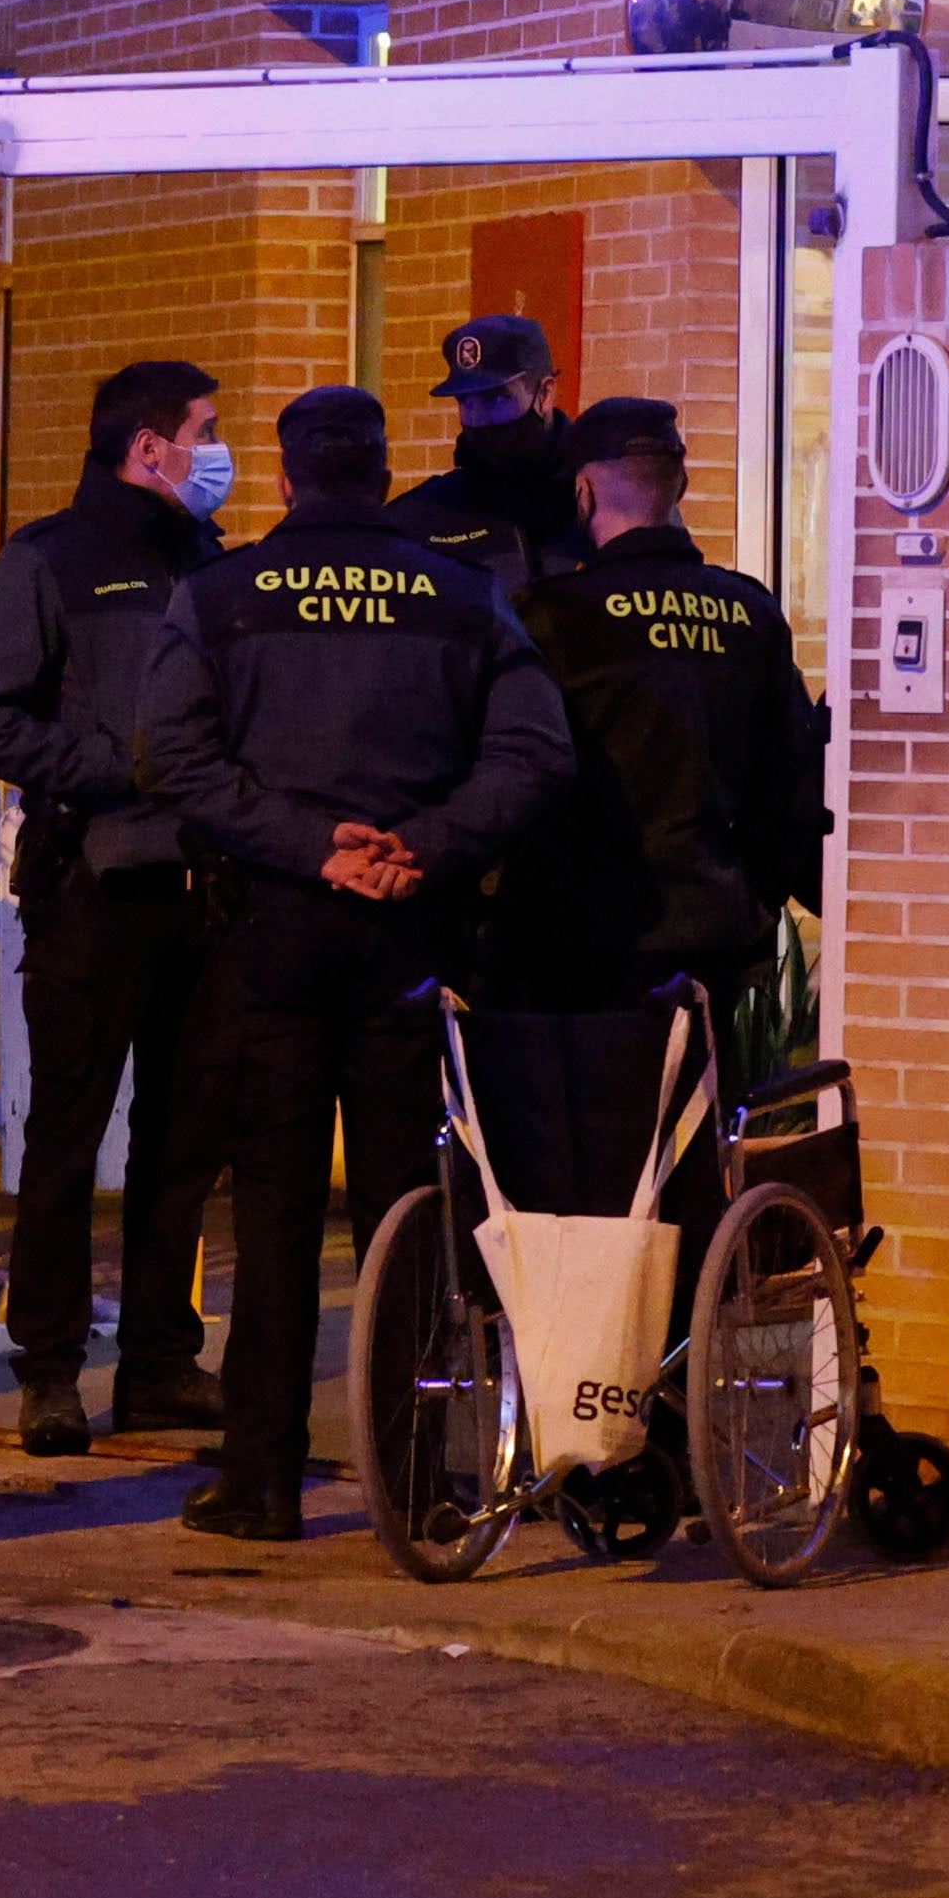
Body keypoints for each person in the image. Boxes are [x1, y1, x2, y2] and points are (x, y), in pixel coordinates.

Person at [138, 385, 573, 1544]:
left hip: (273, 923)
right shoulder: (466, 596)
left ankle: (263, 1481)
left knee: (275, 1204)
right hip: (410, 929)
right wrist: (421, 847)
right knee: (408, 1207)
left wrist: (305, 847)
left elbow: (170, 755)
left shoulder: (220, 596)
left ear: (285, 479)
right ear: (384, 475)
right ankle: (420, 1478)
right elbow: (535, 753)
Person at [0, 358, 236, 1456]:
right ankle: (52, 1369)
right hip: (93, 885)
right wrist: (120, 770)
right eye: (203, 431)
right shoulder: (48, 562)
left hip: (205, 891)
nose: (218, 451)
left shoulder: (209, 559)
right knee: (67, 1139)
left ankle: (161, 1360)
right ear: (149, 448)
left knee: (184, 1140)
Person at [497, 397, 828, 1079]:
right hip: (716, 936)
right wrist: (755, 894)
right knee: (699, 1145)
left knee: (591, 1147)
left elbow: (517, 774)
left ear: (582, 490)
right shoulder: (752, 613)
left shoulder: (550, 616)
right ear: (679, 485)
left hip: (584, 944)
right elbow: (789, 784)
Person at [388, 313, 588, 594]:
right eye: (465, 402)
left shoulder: (602, 503)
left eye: (495, 398)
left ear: (544, 394)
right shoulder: (420, 516)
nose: (477, 417)